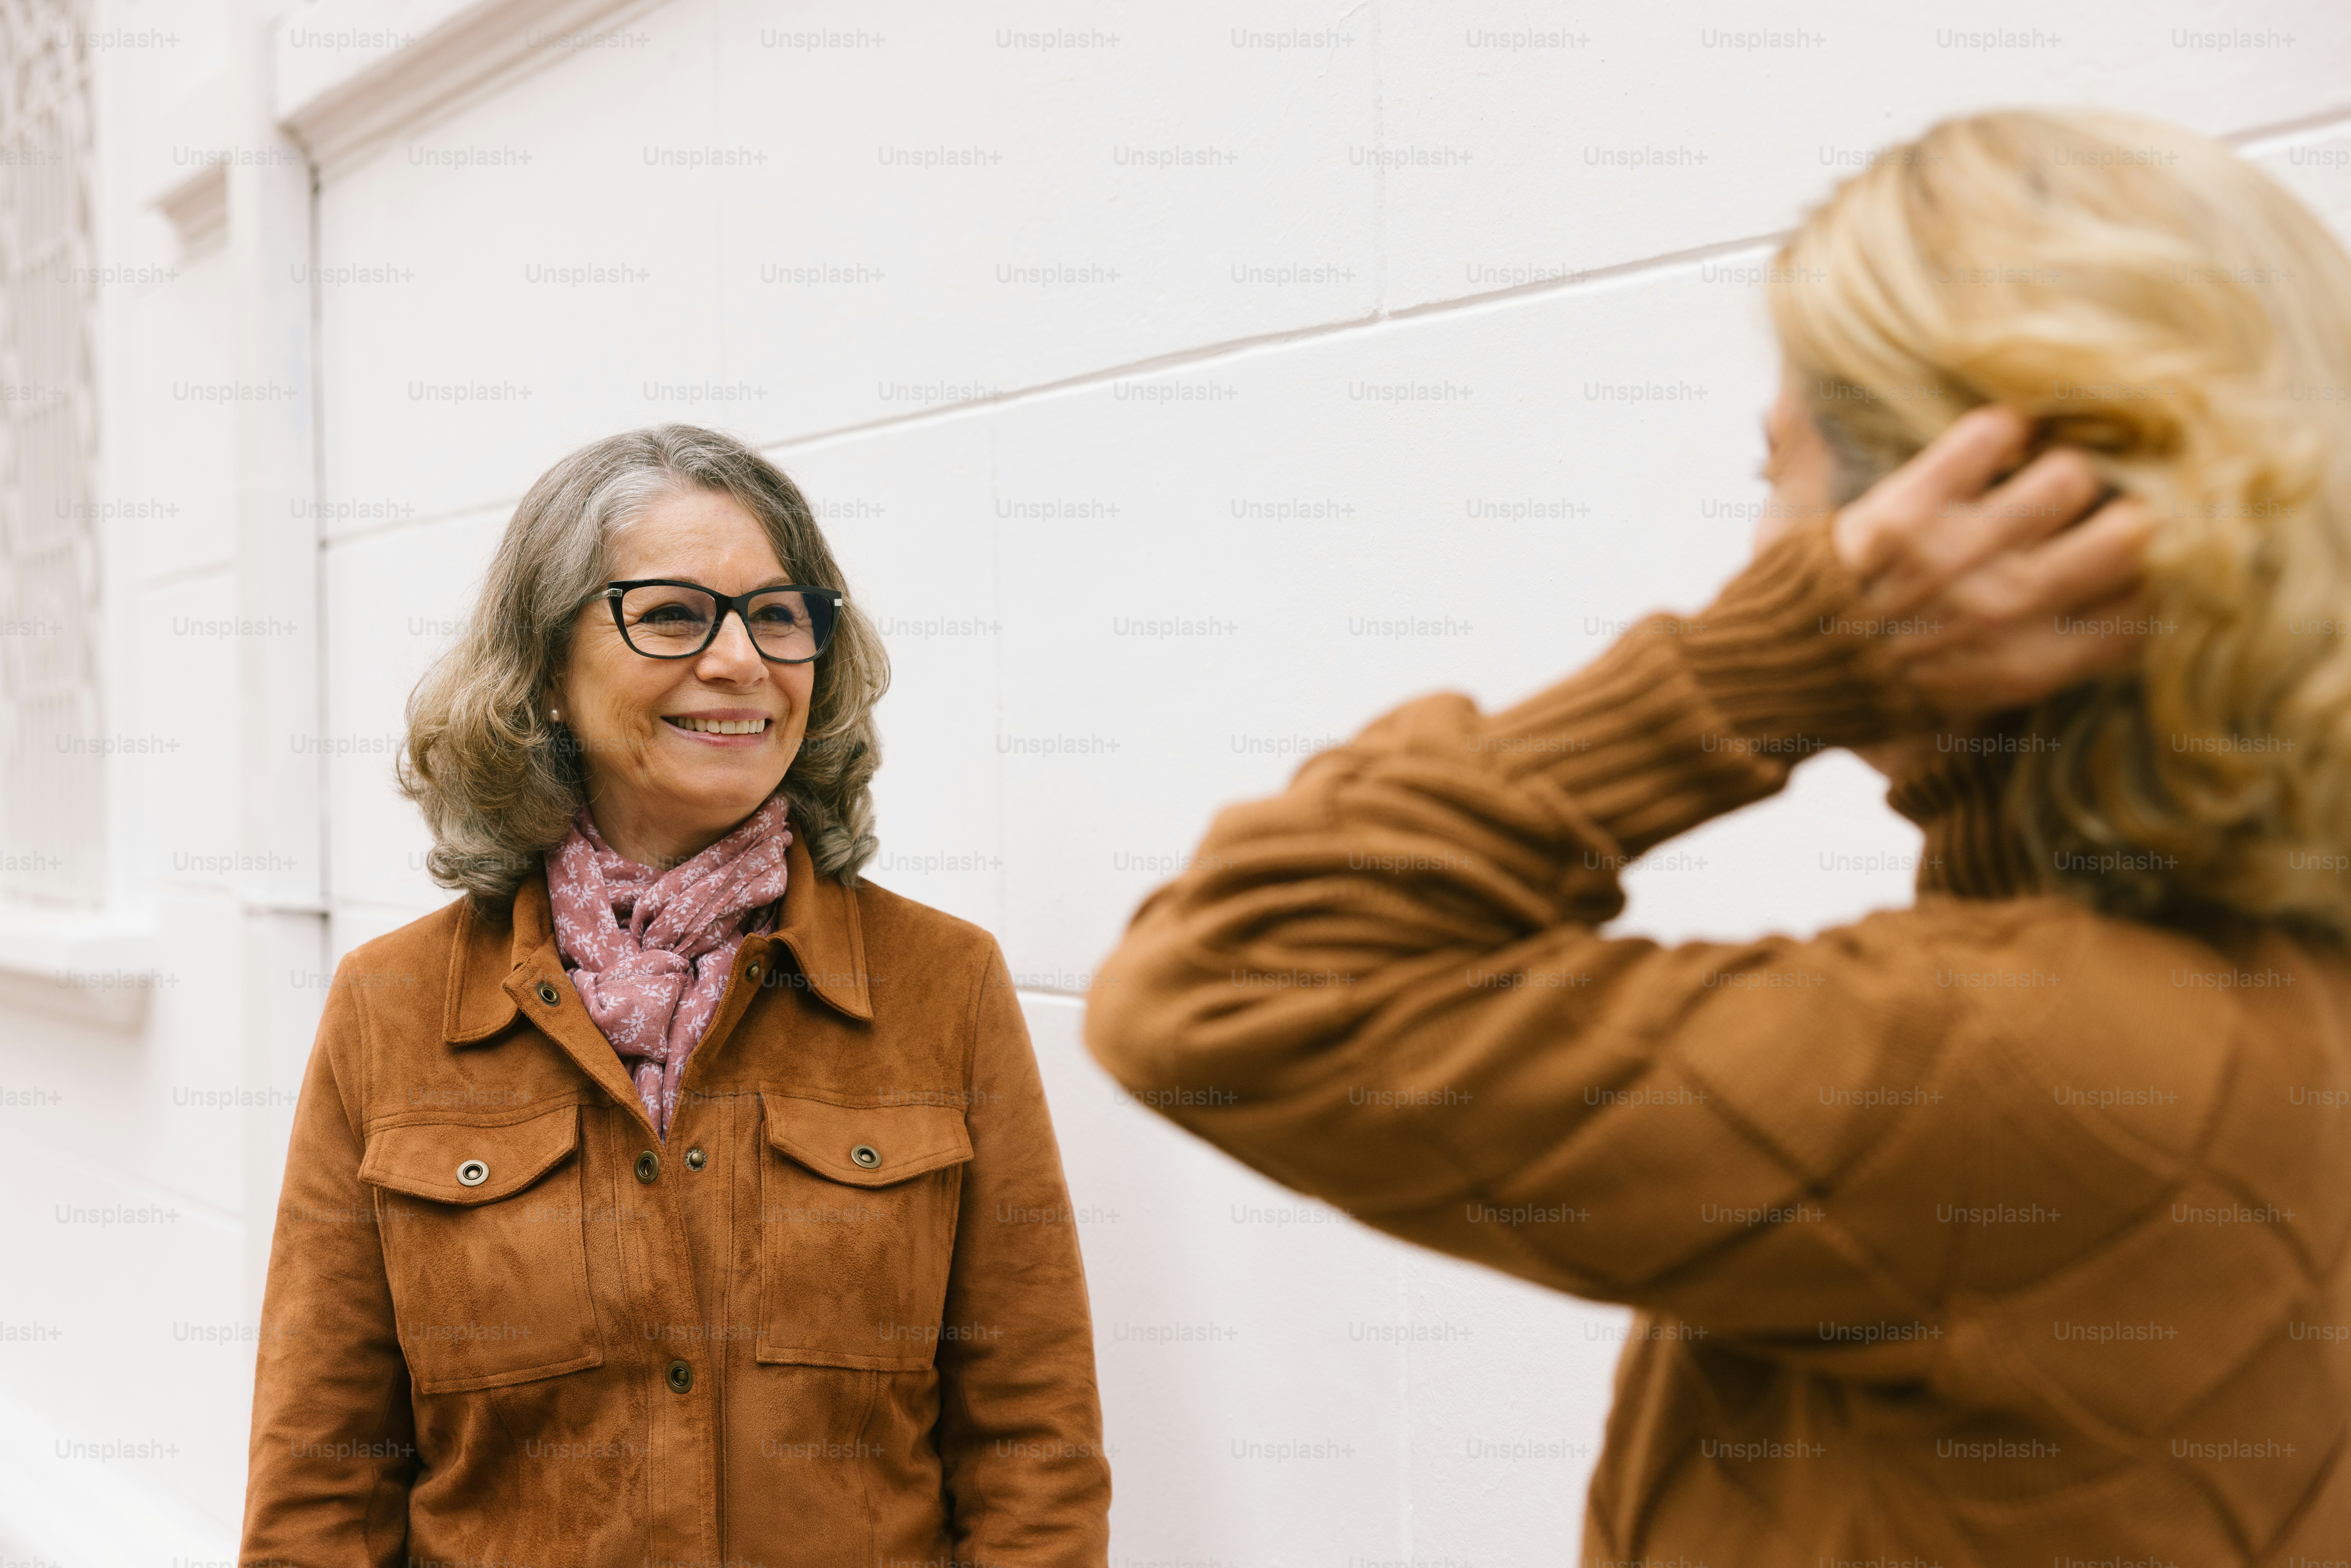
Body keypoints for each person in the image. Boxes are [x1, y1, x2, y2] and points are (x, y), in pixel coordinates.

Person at [1085, 109, 2351, 1561]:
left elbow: (1231, 982)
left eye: (1781, 474)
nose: (1762, 553)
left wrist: (1779, 663)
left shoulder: (2026, 1066)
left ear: (1975, 517)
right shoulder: (2267, 996)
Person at [239, 426, 1111, 1565]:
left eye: (779, 615)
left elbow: (1030, 1453)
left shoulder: (944, 988)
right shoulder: (393, 1008)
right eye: (671, 614)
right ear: (545, 669)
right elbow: (323, 1478)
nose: (742, 660)